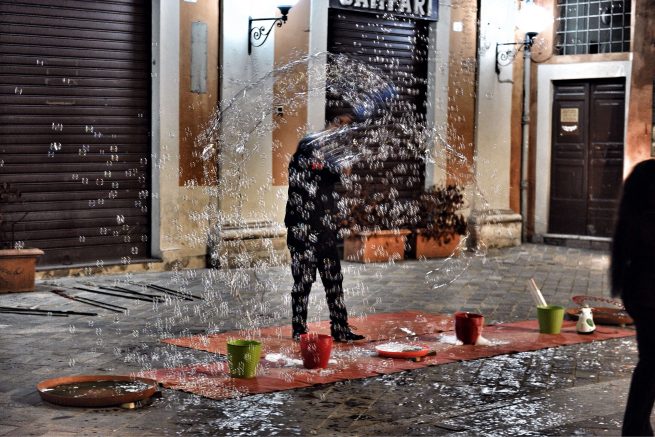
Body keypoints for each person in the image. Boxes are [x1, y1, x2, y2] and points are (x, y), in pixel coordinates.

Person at [284, 111, 365, 342]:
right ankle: (299, 329)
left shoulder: (334, 153)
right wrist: (336, 166)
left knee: (333, 279)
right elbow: (307, 173)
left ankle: (340, 328)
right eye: (341, 124)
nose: (342, 130)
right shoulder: (308, 145)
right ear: (333, 122)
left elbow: (342, 175)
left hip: (324, 226)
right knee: (303, 279)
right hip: (301, 226)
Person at [610, 158, 655, 436]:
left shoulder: (644, 174)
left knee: (650, 363)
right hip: (648, 295)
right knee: (651, 364)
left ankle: (638, 427)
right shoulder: (646, 221)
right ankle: (635, 428)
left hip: (639, 291)